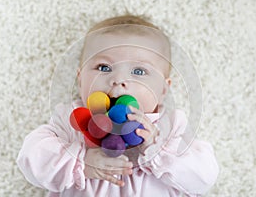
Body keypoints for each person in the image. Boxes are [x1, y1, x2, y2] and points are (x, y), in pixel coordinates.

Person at [17, 15, 219, 197]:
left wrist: (157, 150)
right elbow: (31, 159)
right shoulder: (73, 120)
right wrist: (81, 162)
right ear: (80, 80)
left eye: (139, 71)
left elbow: (203, 177)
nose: (118, 80)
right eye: (104, 67)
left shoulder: (171, 127)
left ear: (163, 90)